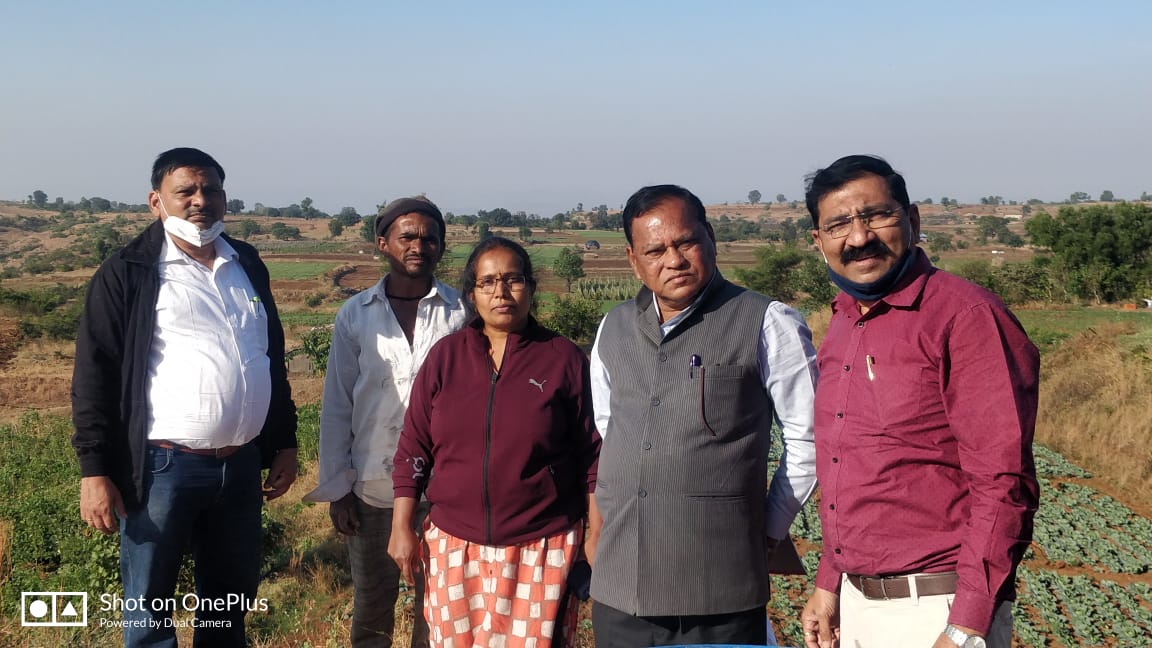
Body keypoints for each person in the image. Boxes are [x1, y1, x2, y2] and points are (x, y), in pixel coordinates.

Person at [799, 155, 1040, 648]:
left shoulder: (965, 316)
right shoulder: (845, 319)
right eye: (839, 224)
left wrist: (966, 627)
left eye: (876, 216)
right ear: (818, 241)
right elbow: (853, 467)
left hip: (936, 609)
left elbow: (1002, 481)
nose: (859, 236)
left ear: (911, 221)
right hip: (859, 607)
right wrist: (829, 582)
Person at [72, 147, 298, 647]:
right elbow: (95, 374)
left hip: (240, 467)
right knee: (150, 607)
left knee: (227, 604)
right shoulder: (129, 271)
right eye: (186, 191)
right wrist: (94, 472)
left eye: (211, 190)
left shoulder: (247, 263)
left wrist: (283, 442)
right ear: (156, 201)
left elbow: (268, 356)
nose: (201, 201)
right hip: (163, 468)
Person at [587, 184, 819, 647]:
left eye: (685, 242)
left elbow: (809, 439)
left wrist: (769, 530)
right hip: (620, 588)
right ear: (633, 260)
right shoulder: (613, 326)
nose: (672, 260)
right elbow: (610, 427)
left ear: (710, 238)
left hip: (719, 589)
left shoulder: (767, 322)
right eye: (655, 250)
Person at [389, 237, 601, 648]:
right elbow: (414, 444)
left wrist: (597, 531)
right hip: (455, 544)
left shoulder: (563, 359)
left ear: (531, 287)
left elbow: (593, 454)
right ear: (471, 294)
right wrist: (401, 524)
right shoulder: (445, 358)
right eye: (487, 282)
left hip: (542, 544)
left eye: (513, 279)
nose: (501, 292)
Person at [304, 197, 466, 647]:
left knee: (436, 606)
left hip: (444, 490)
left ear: (441, 246)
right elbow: (337, 405)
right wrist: (338, 490)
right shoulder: (355, 315)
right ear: (383, 244)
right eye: (407, 236)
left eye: (430, 237)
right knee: (373, 605)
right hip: (371, 490)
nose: (419, 245)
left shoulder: (461, 312)